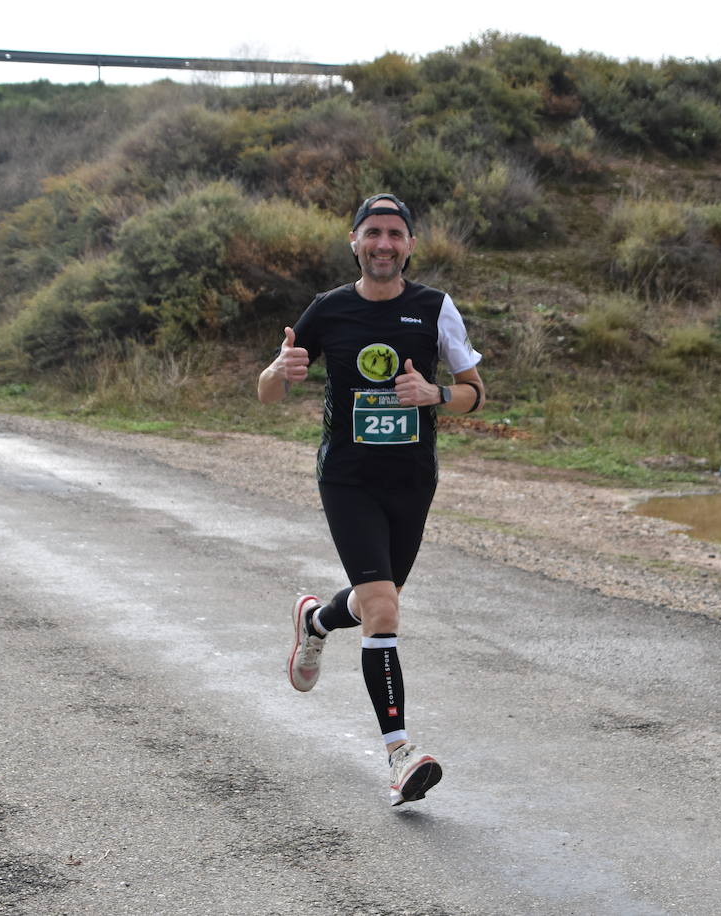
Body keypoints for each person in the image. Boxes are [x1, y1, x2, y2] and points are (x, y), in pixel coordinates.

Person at [256, 193, 485, 807]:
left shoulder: (434, 308)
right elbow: (266, 392)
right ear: (354, 242)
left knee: (370, 602)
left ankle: (317, 619)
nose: (384, 244)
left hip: (411, 481)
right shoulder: (328, 309)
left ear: (410, 245)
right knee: (383, 611)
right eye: (372, 233)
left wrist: (434, 394)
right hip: (348, 478)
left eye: (395, 234)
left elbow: (473, 393)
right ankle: (400, 753)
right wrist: (282, 370)